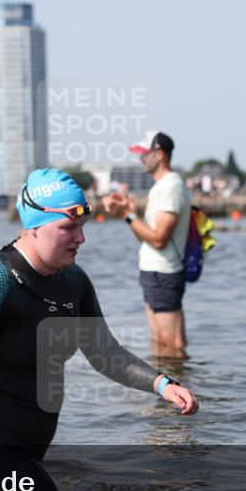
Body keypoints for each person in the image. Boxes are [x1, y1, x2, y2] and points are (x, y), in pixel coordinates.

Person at [0, 169, 199, 491]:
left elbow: (103, 352)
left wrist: (162, 385)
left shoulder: (72, 280)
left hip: (26, 450)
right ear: (35, 226)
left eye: (82, 227)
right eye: (69, 228)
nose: (81, 238)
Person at [105, 131, 192, 358]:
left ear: (160, 154)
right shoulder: (160, 187)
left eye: (145, 154)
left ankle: (182, 387)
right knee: (160, 341)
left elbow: (159, 239)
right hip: (154, 272)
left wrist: (128, 215)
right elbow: (148, 237)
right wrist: (130, 215)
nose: (141, 159)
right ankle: (164, 388)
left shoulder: (170, 187)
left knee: (172, 342)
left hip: (164, 272)